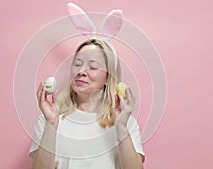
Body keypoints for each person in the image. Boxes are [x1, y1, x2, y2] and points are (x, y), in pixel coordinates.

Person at [29, 38, 145, 169]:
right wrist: (51, 124)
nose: (81, 71)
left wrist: (121, 127)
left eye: (93, 66)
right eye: (77, 64)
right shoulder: (49, 119)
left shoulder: (126, 122)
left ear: (108, 77)